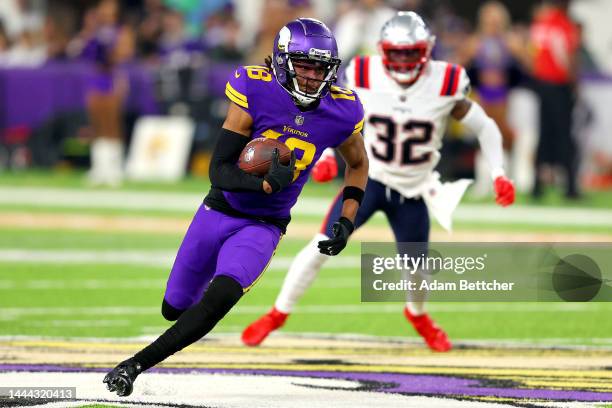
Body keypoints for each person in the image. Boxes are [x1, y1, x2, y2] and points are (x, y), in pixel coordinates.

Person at [103, 17, 368, 397]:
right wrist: (261, 181)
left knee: (220, 297)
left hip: (265, 223)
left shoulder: (342, 110)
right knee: (174, 307)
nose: (312, 77)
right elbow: (219, 170)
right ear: (282, 61)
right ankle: (172, 322)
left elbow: (358, 164)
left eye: (320, 68)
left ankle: (134, 365)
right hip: (219, 210)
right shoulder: (255, 88)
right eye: (305, 66)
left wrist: (347, 219)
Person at [241, 11, 515, 352]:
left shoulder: (446, 82)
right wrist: (326, 157)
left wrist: (499, 172)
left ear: (427, 50)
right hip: (369, 180)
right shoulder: (362, 73)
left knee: (417, 268)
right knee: (320, 246)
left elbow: (485, 126)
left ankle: (417, 314)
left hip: (413, 189)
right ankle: (277, 314)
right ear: (382, 50)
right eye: (395, 53)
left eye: (409, 53)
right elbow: (328, 116)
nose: (401, 62)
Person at [529, 0, 580, 198]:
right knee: (564, 135)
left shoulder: (541, 23)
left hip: (542, 83)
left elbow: (533, 53)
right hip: (559, 84)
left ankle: (537, 186)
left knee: (544, 135)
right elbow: (566, 57)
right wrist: (574, 81)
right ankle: (570, 187)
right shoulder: (564, 25)